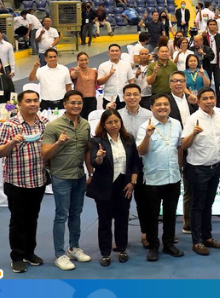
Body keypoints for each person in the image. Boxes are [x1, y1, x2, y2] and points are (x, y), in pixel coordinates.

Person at [0, 90, 48, 273]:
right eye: (28, 101)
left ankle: (29, 252)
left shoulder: (44, 123)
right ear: (19, 104)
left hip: (38, 179)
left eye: (35, 100)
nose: (33, 104)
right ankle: (17, 256)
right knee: (18, 220)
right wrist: (11, 143)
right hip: (16, 180)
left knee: (33, 218)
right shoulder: (10, 125)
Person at [41, 90, 92, 270]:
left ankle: (74, 248)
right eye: (72, 102)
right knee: (61, 215)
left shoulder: (85, 124)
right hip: (61, 176)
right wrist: (58, 143)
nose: (76, 106)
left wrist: (91, 173)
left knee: (76, 213)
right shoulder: (53, 126)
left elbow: (87, 150)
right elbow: (45, 154)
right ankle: (59, 254)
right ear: (64, 104)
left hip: (79, 175)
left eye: (79, 103)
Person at [87, 108, 141, 266]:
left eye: (116, 121)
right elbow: (94, 163)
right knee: (104, 221)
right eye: (109, 122)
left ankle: (122, 249)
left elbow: (135, 163)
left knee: (122, 220)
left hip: (124, 186)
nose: (113, 125)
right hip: (104, 187)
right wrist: (99, 157)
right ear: (103, 124)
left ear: (120, 122)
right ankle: (105, 253)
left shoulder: (128, 139)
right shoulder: (97, 141)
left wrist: (132, 182)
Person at [136, 94, 185, 261]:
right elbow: (141, 151)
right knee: (152, 215)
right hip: (153, 179)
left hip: (173, 177)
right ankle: (153, 246)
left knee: (171, 214)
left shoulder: (176, 124)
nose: (162, 107)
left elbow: (179, 147)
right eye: (158, 104)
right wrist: (148, 136)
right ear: (151, 107)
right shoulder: (145, 127)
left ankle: (169, 244)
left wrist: (179, 166)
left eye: (165, 104)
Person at [182, 88, 220, 255]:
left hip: (215, 167)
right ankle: (197, 241)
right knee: (198, 206)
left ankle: (207, 237)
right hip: (197, 169)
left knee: (209, 204)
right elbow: (184, 145)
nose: (209, 101)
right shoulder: (192, 119)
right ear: (198, 101)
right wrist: (193, 134)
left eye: (211, 98)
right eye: (205, 99)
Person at [97, 45, 131, 110]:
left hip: (124, 98)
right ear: (108, 53)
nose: (115, 53)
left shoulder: (127, 65)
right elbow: (99, 82)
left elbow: (131, 80)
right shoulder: (103, 66)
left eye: (117, 51)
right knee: (109, 115)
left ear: (120, 52)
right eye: (112, 51)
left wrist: (130, 93)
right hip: (109, 97)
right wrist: (109, 74)